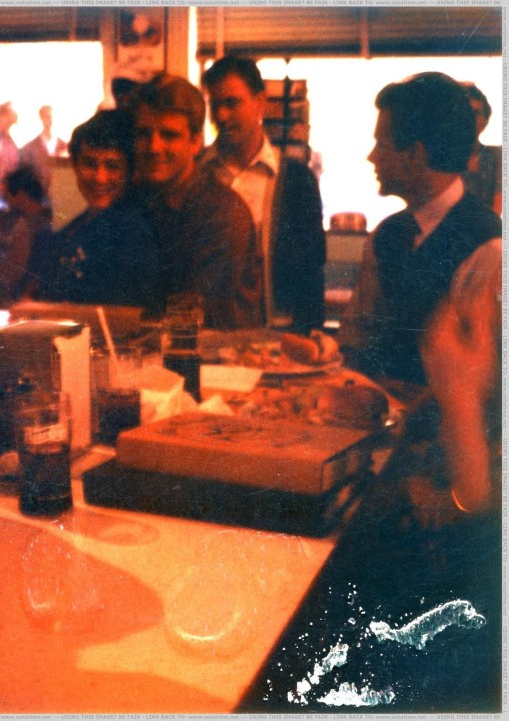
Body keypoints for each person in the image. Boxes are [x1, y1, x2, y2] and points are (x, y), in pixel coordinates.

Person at [339, 71, 501, 523]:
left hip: (447, 484)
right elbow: (358, 337)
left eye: (382, 143)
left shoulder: (490, 250)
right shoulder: (388, 235)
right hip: (377, 442)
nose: (371, 155)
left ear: (415, 154)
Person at [200, 56, 326, 333]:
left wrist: (310, 335)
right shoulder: (197, 172)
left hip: (278, 336)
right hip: (208, 336)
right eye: (215, 105)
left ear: (260, 102)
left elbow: (312, 271)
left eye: (232, 103)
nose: (221, 115)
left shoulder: (297, 180)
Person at [128, 74, 263, 328]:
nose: (153, 147)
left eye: (169, 135)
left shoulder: (223, 212)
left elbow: (193, 315)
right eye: (144, 133)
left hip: (215, 350)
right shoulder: (139, 199)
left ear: (195, 142)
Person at [39, 110, 160, 311]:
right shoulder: (76, 226)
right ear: (75, 165)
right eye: (90, 163)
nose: (100, 177)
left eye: (112, 166)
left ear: (130, 171)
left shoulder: (135, 231)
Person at [0, 167, 53, 307]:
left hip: (16, 303)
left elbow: (12, 273)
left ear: (21, 195)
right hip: (40, 300)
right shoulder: (50, 218)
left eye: (7, 196)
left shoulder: (25, 226)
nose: (7, 202)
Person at [462, 82, 501, 215]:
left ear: (485, 121)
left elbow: (498, 206)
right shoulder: (442, 158)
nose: (471, 119)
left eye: (476, 113)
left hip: (488, 225)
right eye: (466, 113)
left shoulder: (497, 155)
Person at [18, 105, 55, 195]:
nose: (49, 120)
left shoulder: (63, 146)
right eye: (46, 117)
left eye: (50, 117)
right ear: (41, 119)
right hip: (38, 197)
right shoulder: (29, 148)